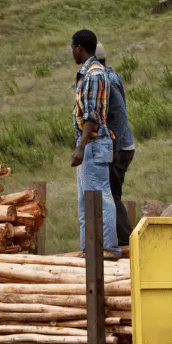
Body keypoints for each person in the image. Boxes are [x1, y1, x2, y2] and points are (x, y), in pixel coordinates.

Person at [70, 29, 119, 258]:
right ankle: (88, 247)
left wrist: (81, 146)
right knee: (85, 199)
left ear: (79, 47)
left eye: (73, 48)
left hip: (94, 143)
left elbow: (92, 115)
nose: (72, 53)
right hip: (88, 144)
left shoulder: (95, 74)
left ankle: (108, 246)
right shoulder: (87, 73)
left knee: (100, 196)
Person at [96, 42, 136, 247]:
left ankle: (124, 242)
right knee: (112, 193)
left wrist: (114, 147)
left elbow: (119, 114)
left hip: (119, 147)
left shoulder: (106, 81)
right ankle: (119, 240)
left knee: (112, 195)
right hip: (122, 145)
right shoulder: (112, 75)